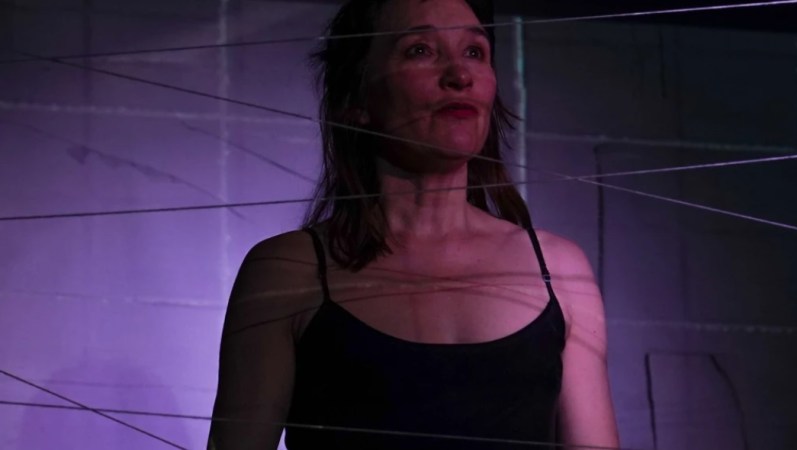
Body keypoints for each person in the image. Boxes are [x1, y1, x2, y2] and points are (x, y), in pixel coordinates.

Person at [208, 0, 619, 449]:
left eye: (474, 52)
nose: (459, 75)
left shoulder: (560, 270)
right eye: (420, 50)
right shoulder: (287, 270)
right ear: (355, 100)